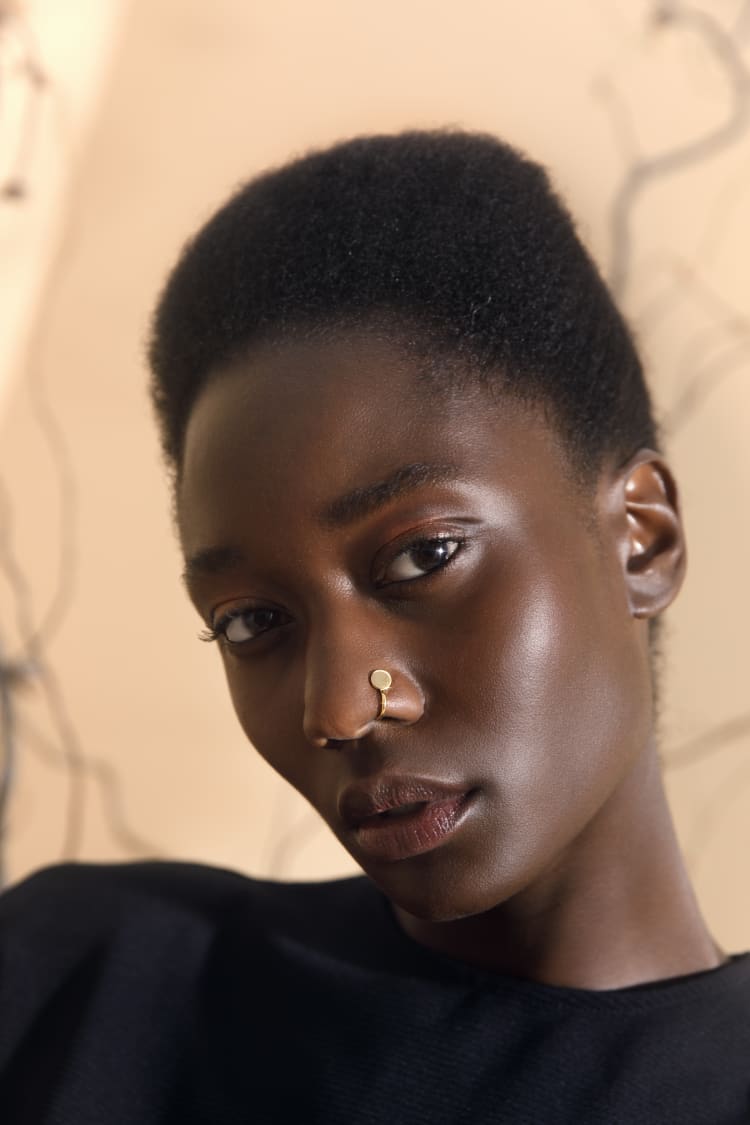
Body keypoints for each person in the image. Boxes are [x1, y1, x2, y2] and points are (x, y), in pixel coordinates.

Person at [0, 130, 747, 1124]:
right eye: (254, 620)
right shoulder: (79, 981)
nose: (341, 708)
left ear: (641, 542)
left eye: (423, 556)